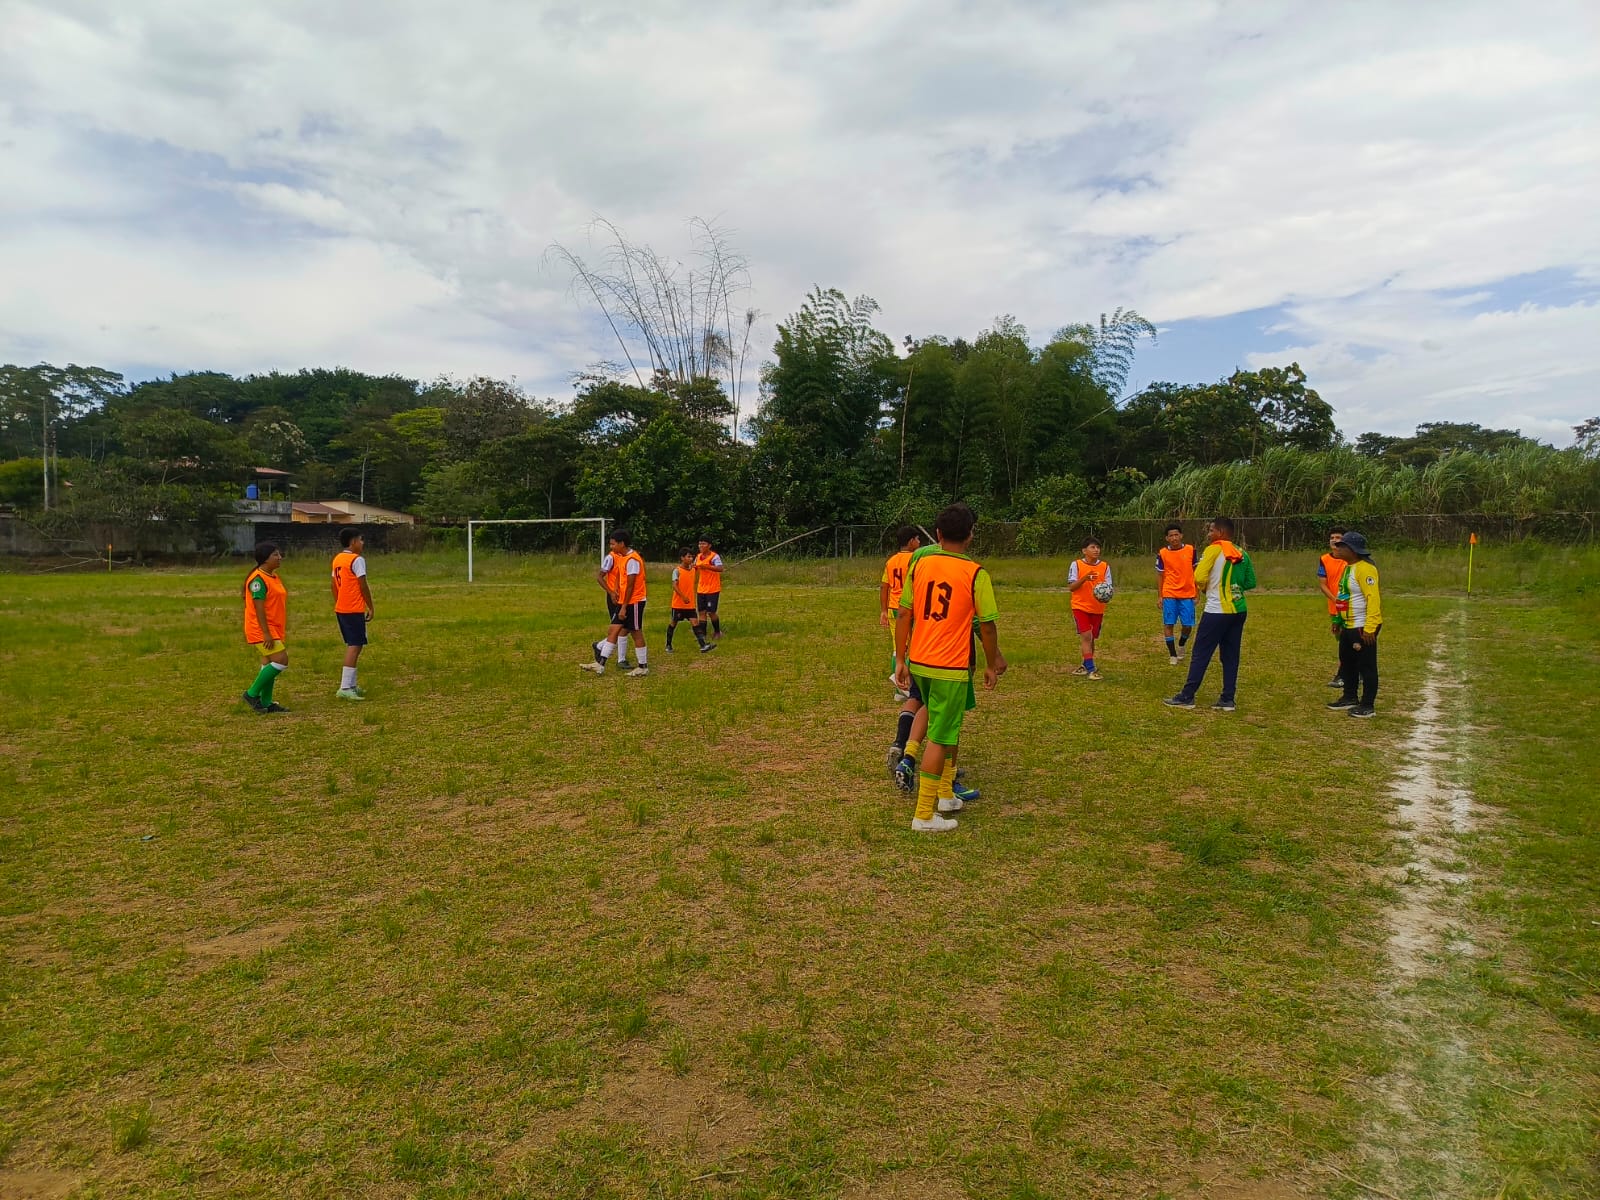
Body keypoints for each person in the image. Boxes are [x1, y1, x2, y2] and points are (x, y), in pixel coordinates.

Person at [894, 502, 1005, 833]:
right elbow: (987, 625)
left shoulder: (920, 564)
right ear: (970, 536)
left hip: (920, 660)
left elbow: (904, 612)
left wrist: (900, 659)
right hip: (950, 666)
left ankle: (945, 795)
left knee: (941, 722)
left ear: (938, 534)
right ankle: (924, 815)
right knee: (941, 738)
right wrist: (991, 663)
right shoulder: (975, 573)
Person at [1163, 517, 1256, 712]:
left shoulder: (1213, 550)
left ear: (1221, 533)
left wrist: (1207, 587)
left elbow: (1198, 576)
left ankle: (1187, 696)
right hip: (1239, 610)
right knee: (1230, 655)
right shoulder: (1242, 552)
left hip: (1217, 610)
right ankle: (1228, 699)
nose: (1208, 534)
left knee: (1201, 653)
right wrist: (1233, 587)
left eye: (1211, 530)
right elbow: (1250, 582)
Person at [1326, 530, 1382, 718]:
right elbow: (1343, 596)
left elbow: (1372, 598)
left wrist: (1370, 627)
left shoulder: (1366, 569)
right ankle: (1349, 696)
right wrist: (1338, 620)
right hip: (1348, 624)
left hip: (1362, 625)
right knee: (1347, 663)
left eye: (1342, 546)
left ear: (1353, 550)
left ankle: (1367, 705)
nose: (1337, 548)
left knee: (1366, 666)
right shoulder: (1348, 568)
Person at [582, 531, 650, 677]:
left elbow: (631, 585)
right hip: (623, 600)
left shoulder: (632, 559)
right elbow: (621, 579)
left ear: (622, 544)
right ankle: (600, 664)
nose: (611, 547)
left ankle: (643, 667)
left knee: (636, 632)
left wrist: (624, 607)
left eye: (613, 544)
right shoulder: (621, 557)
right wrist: (615, 592)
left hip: (634, 601)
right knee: (613, 630)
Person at [241, 542, 290, 713]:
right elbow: (258, 607)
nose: (280, 557)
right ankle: (251, 693)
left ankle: (266, 703)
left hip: (273, 627)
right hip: (261, 629)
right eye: (275, 555)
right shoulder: (258, 579)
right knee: (281, 660)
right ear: (265, 559)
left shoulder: (273, 576)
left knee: (269, 662)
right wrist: (266, 633)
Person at [330, 527, 374, 700]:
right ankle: (345, 687)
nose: (362, 543)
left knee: (356, 644)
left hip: (342, 607)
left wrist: (339, 601)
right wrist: (370, 606)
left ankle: (352, 685)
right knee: (354, 646)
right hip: (353, 608)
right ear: (353, 542)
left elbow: (333, 584)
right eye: (361, 540)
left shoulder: (338, 559)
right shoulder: (357, 560)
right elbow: (363, 584)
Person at [879, 526, 921, 699]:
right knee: (912, 647)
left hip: (893, 608)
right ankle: (906, 687)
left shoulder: (891, 561)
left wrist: (883, 610)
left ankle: (899, 690)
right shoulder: (915, 559)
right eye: (917, 539)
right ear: (911, 541)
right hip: (908, 608)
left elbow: (884, 586)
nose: (919, 542)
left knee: (898, 647)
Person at [1066, 537, 1112, 679]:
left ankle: (1085, 665)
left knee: (1091, 639)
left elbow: (1109, 588)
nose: (1096, 550)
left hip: (1097, 608)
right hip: (1080, 606)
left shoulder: (1105, 566)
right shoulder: (1076, 565)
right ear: (1084, 550)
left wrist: (1106, 595)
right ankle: (1092, 670)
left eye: (1098, 547)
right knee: (1086, 636)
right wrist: (1085, 578)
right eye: (1092, 547)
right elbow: (1071, 587)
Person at [1155, 523, 1197, 664]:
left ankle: (1181, 645)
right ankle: (1172, 655)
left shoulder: (1191, 550)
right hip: (1169, 592)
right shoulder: (1162, 553)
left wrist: (1197, 592)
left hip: (1187, 593)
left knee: (1187, 626)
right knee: (1169, 624)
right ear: (1167, 538)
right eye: (1171, 536)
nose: (1174, 538)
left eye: (1176, 535)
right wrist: (1160, 596)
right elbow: (1160, 575)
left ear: (1181, 536)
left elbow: (1195, 572)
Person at [1316, 528, 1348, 688]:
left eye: (1338, 537)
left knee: (1348, 641)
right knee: (1342, 640)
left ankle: (1343, 674)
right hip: (1335, 609)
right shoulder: (1324, 559)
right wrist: (1336, 600)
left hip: (1351, 609)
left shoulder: (1350, 559)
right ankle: (1355, 671)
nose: (1334, 540)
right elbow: (1323, 584)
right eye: (1332, 537)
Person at [666, 547, 713, 653]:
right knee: (673, 623)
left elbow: (699, 564)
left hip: (690, 604)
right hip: (678, 604)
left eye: (692, 557)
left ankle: (703, 645)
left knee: (695, 623)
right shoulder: (677, 571)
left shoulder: (692, 569)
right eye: (688, 556)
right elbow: (674, 585)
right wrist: (683, 596)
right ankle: (668, 645)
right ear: (682, 558)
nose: (691, 558)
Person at [695, 537, 725, 639]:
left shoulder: (714, 557)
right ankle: (702, 634)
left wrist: (707, 566)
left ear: (709, 545)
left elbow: (720, 568)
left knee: (711, 612)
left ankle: (717, 632)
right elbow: (695, 567)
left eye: (703, 544)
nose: (701, 546)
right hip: (701, 589)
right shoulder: (698, 556)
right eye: (700, 544)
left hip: (712, 589)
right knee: (701, 612)